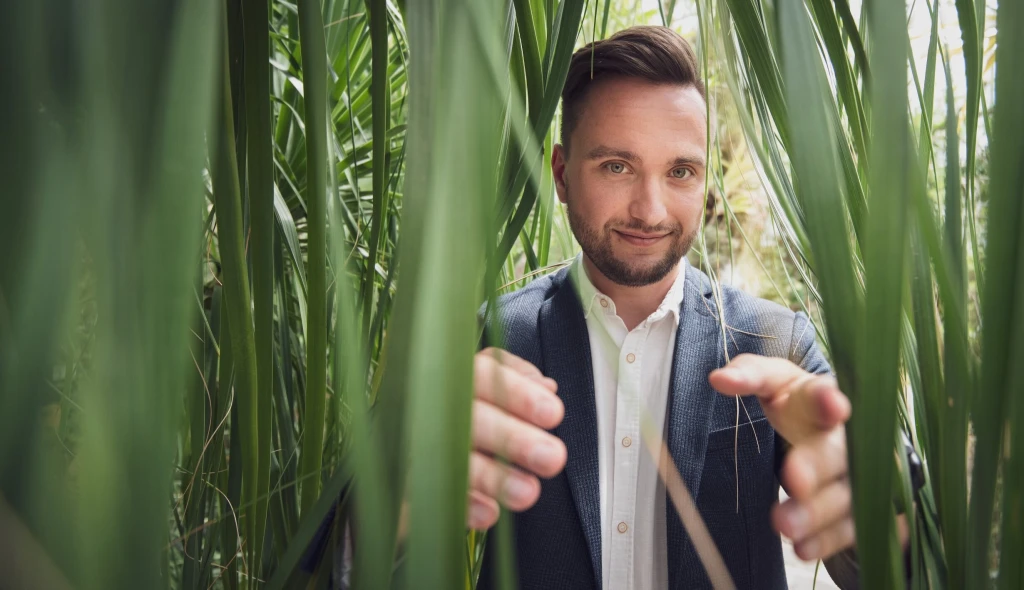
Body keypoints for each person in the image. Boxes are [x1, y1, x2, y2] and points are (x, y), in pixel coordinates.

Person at [470, 26, 865, 589]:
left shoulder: (777, 344)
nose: (649, 210)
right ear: (560, 174)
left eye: (680, 171)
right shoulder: (497, 335)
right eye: (616, 166)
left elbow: (888, 557)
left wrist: (876, 501)